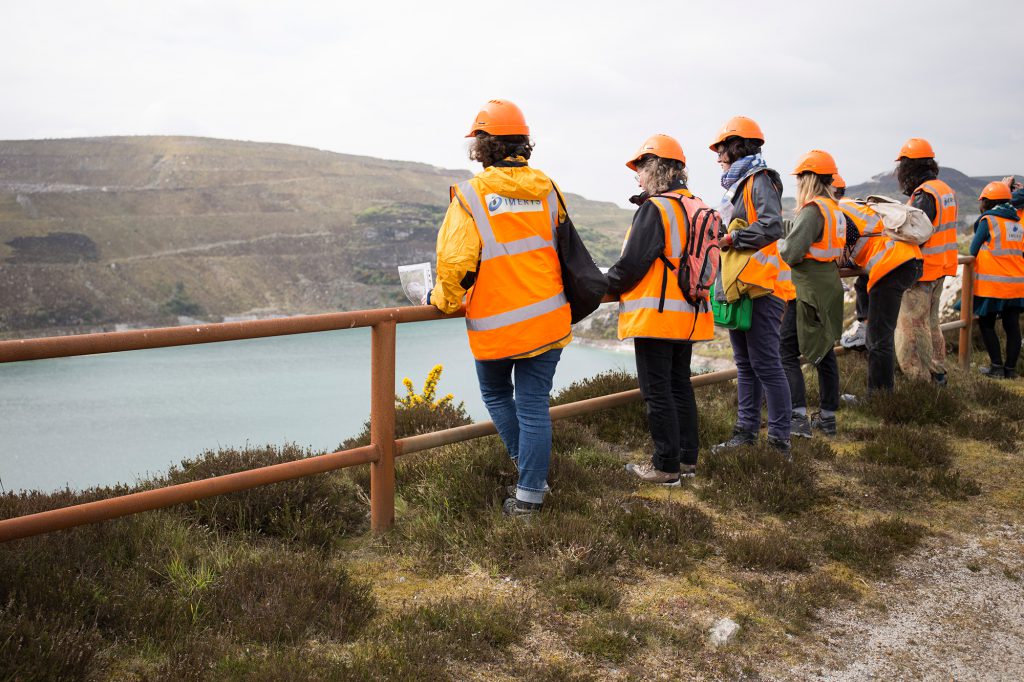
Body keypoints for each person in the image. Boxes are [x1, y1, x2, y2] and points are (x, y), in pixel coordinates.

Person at [429, 99, 571, 517]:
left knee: (495, 393)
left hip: (498, 325)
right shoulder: (547, 188)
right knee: (533, 405)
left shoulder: (470, 196)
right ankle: (530, 489)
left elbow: (454, 264)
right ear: (522, 144)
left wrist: (442, 301)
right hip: (548, 318)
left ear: (483, 146)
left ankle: (530, 477)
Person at [607, 134, 714, 484]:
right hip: (690, 313)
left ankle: (664, 466)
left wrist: (599, 284)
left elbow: (632, 265)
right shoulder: (696, 204)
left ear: (655, 169)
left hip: (657, 315)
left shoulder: (655, 208)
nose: (637, 178)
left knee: (657, 391)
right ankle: (686, 461)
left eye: (639, 170)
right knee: (680, 385)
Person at [708, 116, 794, 455]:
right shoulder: (740, 184)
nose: (717, 156)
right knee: (746, 364)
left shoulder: (759, 180)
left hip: (763, 288)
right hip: (744, 287)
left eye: (720, 149)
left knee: (767, 364)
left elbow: (772, 227)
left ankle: (779, 442)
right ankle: (745, 434)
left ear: (736, 146)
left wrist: (732, 238)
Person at [836, 176, 924, 395]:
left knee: (879, 338)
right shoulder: (854, 206)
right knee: (880, 333)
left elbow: (839, 248)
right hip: (908, 260)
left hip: (892, 265)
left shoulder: (837, 210)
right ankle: (882, 393)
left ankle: (879, 397)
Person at [779, 151, 846, 437]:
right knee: (824, 350)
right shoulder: (834, 208)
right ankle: (828, 417)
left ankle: (797, 418)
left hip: (807, 290)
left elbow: (792, 253)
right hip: (828, 284)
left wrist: (782, 242)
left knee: (785, 351)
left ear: (808, 179)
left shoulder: (812, 209)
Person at [893, 138, 958, 385]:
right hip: (941, 267)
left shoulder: (925, 195)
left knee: (912, 326)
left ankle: (918, 378)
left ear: (910, 167)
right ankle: (938, 371)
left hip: (922, 270)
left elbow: (915, 232)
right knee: (932, 322)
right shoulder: (945, 190)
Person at [970, 181, 1024, 379]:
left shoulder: (989, 221)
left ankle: (996, 367)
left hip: (993, 285)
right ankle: (1010, 370)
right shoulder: (1017, 221)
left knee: (986, 324)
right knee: (1012, 327)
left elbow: (972, 249)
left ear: (987, 201)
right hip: (1017, 285)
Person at [834, 175, 869, 351]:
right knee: (862, 284)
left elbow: (849, 237)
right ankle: (865, 331)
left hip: (879, 259)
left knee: (864, 286)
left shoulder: (836, 209)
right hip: (886, 255)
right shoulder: (853, 204)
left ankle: (864, 331)